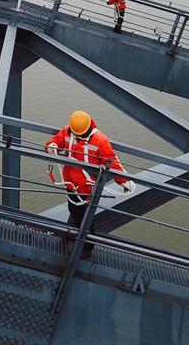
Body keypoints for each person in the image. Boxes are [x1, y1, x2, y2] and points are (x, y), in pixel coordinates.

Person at [45, 110, 134, 257]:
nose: (79, 136)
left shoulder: (100, 140)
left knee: (84, 216)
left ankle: (87, 247)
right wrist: (52, 146)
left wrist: (123, 181)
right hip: (72, 183)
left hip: (88, 187)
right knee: (73, 209)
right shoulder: (68, 132)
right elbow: (55, 142)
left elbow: (111, 162)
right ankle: (75, 233)